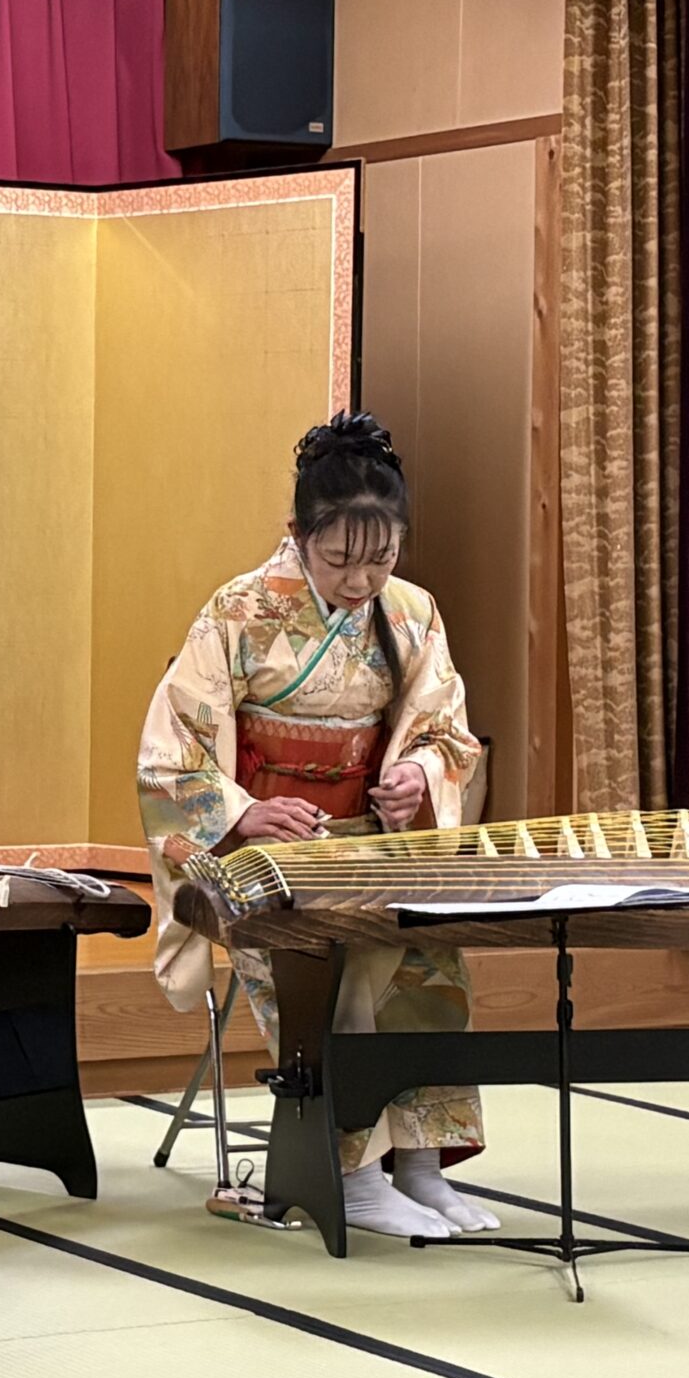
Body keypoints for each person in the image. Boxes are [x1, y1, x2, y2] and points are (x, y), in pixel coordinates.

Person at [137, 413, 497, 1243]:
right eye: (339, 559)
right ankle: (354, 1171)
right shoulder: (239, 610)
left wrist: (417, 776)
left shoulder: (413, 612)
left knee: (428, 952)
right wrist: (244, 811)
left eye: (382, 558)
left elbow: (447, 732)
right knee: (327, 958)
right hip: (267, 852)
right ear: (297, 535)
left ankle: (421, 1167)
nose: (362, 579)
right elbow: (171, 752)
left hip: (368, 839)